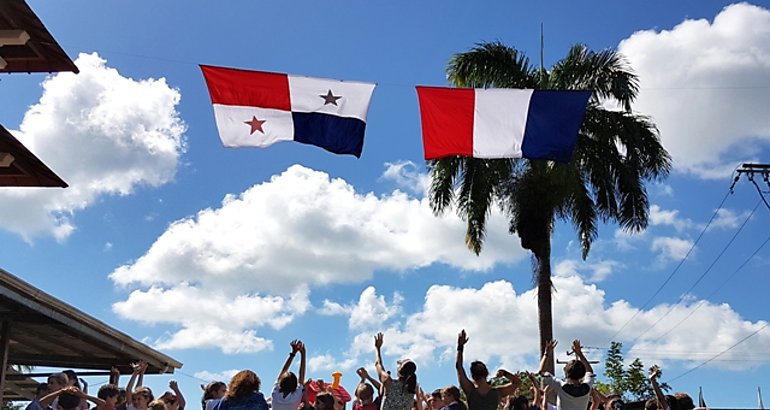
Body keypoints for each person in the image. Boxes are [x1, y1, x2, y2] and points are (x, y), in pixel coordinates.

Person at [455, 330, 520, 410]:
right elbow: (517, 382)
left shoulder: (470, 390)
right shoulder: (497, 392)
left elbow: (459, 366)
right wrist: (504, 373)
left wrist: (460, 346)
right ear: (486, 373)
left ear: (473, 376)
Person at [537, 340, 595, 410]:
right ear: (583, 374)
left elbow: (542, 372)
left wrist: (546, 354)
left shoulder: (560, 385)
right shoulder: (587, 387)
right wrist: (580, 353)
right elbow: (590, 372)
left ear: (566, 374)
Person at [374, 332, 417, 410]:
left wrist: (377, 348)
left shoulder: (389, 382)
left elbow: (378, 364)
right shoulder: (411, 391)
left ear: (399, 370)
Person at [272, 340, 307, 410]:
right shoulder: (296, 397)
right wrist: (303, 354)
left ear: (281, 383)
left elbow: (283, 372)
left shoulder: (275, 394)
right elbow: (301, 375)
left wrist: (293, 353)